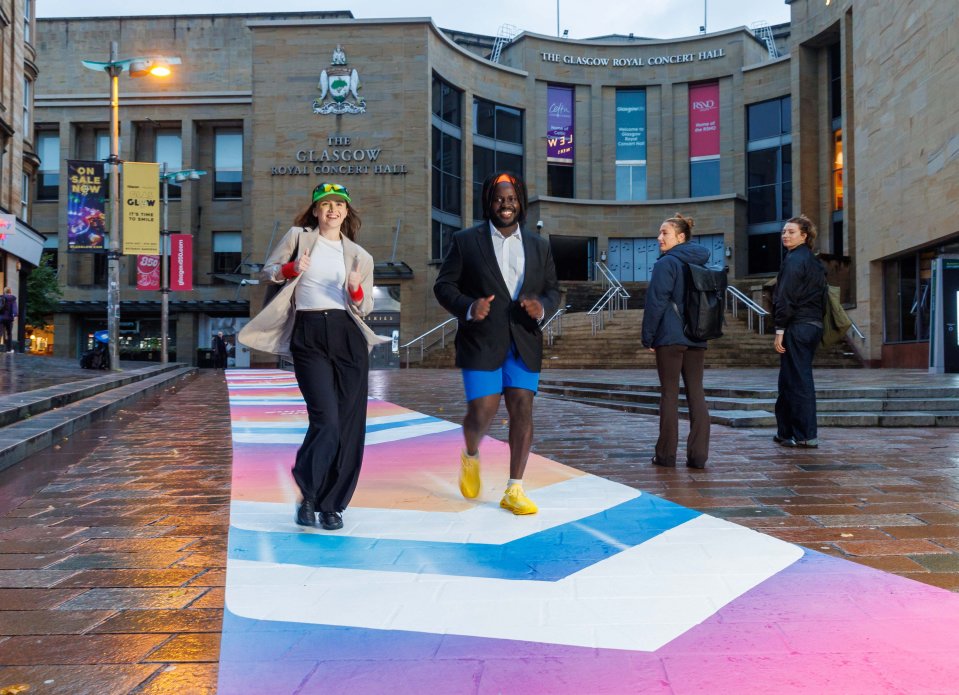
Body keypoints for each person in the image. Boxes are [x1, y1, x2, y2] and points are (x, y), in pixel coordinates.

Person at [238, 182, 388, 530]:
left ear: (347, 212)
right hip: (308, 334)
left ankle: (332, 506)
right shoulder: (298, 238)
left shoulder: (360, 257)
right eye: (325, 204)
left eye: (339, 205)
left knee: (349, 426)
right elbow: (269, 272)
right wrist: (291, 270)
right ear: (316, 210)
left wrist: (354, 287)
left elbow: (363, 307)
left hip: (347, 335)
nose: (332, 210)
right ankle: (308, 495)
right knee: (327, 420)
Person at [434, 171, 560, 515]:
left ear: (520, 202)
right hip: (481, 341)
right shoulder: (466, 241)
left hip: (524, 341)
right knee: (483, 411)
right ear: (488, 202)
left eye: (511, 199)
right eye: (498, 199)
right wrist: (468, 306)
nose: (505, 205)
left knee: (522, 408)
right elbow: (443, 286)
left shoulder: (540, 246)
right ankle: (470, 454)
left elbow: (553, 290)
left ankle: (514, 488)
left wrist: (543, 306)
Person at [640, 213, 710, 469]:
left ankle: (666, 455)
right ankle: (698, 456)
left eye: (664, 233)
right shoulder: (701, 262)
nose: (659, 237)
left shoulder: (666, 263)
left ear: (680, 237)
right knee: (697, 394)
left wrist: (648, 336)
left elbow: (656, 302)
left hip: (670, 336)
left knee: (669, 394)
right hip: (697, 335)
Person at [772, 214, 826, 448]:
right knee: (789, 380)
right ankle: (786, 432)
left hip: (798, 326)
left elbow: (786, 297)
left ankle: (805, 435)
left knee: (799, 381)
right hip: (812, 325)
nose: (785, 235)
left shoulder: (795, 260)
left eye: (791, 232)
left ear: (804, 236)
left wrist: (780, 329)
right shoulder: (814, 262)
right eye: (784, 231)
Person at [0, 287, 17, 353]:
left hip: (1, 318)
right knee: (9, 334)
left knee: (0, 332)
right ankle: (9, 349)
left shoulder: (1, 298)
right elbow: (14, 307)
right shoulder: (12, 299)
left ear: (4, 291)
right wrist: (15, 315)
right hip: (9, 318)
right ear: (10, 291)